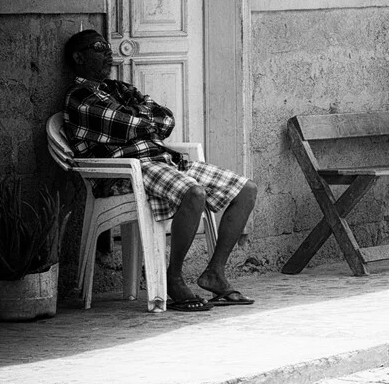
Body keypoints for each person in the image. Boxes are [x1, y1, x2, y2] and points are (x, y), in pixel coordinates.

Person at [62, 30, 258, 311]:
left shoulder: (118, 89)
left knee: (246, 190)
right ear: (78, 57)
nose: (108, 52)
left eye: (107, 46)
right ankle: (173, 277)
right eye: (97, 47)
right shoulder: (79, 98)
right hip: (130, 169)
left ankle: (214, 273)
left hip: (164, 161)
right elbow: (130, 125)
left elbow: (166, 120)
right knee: (193, 193)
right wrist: (143, 117)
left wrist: (139, 118)